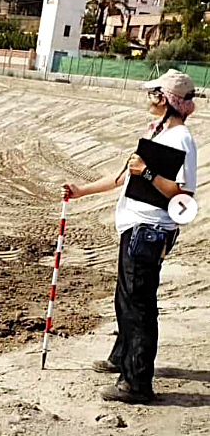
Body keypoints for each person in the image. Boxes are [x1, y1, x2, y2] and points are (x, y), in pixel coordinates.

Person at [61, 69, 197, 403]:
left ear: (165, 99)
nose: (148, 98)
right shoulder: (158, 132)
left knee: (138, 305)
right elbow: (123, 177)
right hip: (136, 230)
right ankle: (122, 356)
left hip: (149, 232)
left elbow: (183, 195)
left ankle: (136, 382)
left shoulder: (181, 140)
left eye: (153, 93)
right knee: (126, 299)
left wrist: (147, 173)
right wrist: (80, 191)